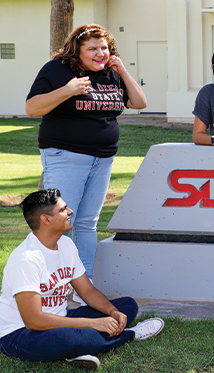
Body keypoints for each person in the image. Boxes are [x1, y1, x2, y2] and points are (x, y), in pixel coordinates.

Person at [25, 24, 147, 303]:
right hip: (66, 156)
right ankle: (50, 286)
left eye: (104, 48)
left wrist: (123, 71)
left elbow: (140, 102)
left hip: (102, 159)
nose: (100, 53)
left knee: (87, 224)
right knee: (59, 223)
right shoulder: (58, 70)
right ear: (77, 50)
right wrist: (68, 90)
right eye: (92, 48)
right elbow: (32, 108)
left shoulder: (111, 74)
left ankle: (85, 287)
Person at [0, 189, 164, 370]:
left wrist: (112, 312)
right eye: (63, 209)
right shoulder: (26, 259)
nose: (70, 212)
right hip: (21, 335)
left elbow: (86, 290)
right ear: (46, 219)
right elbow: (34, 321)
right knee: (80, 337)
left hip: (60, 319)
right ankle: (130, 334)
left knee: (127, 306)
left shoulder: (66, 245)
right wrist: (94, 323)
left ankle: (80, 347)